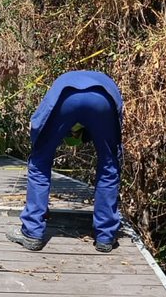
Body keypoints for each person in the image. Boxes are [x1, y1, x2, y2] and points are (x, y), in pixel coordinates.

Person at [7, 68, 123, 254]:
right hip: (104, 98)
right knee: (109, 166)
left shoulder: (62, 80)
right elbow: (116, 140)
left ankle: (32, 233)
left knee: (39, 163)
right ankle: (105, 237)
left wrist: (39, 146)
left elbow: (37, 124)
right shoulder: (105, 81)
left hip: (65, 95)